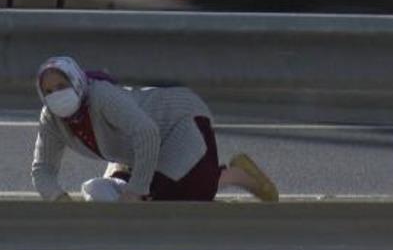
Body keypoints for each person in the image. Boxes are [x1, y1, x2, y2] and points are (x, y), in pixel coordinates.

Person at [30, 56, 279, 202]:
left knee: (188, 194)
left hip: (179, 118)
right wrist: (61, 201)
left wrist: (136, 191)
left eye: (62, 85)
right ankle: (123, 171)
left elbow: (147, 133)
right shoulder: (51, 117)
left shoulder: (101, 96)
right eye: (49, 91)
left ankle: (238, 173)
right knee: (142, 193)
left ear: (76, 81)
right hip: (137, 142)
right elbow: (43, 168)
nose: (56, 95)